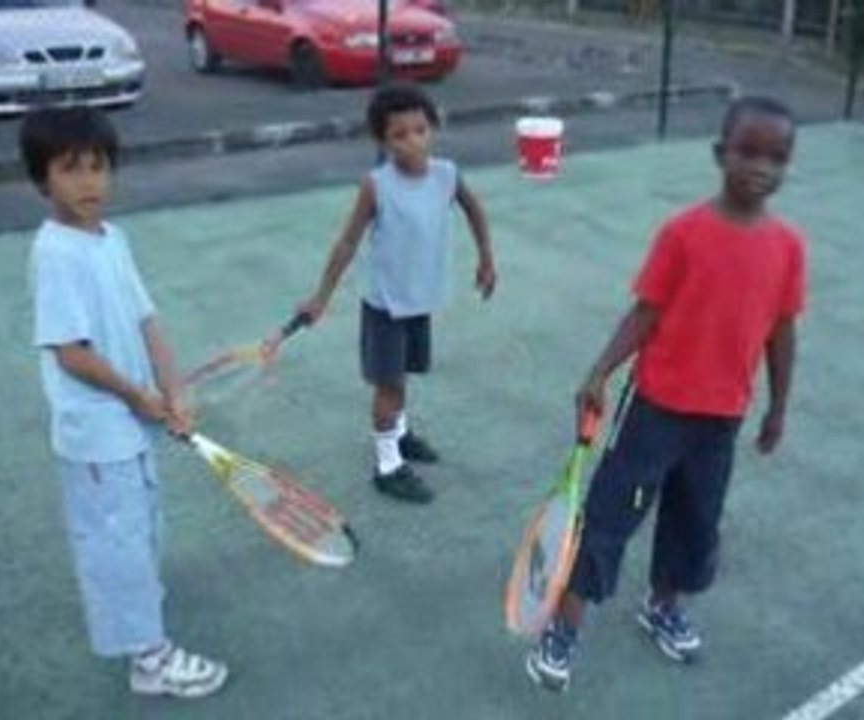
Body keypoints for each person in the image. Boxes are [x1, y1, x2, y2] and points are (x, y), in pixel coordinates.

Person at [526, 96, 807, 692]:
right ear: (719, 154)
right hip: (654, 412)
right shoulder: (683, 233)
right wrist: (599, 371)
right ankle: (564, 629)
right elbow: (646, 311)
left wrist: (778, 407)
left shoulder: (787, 248)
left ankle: (662, 606)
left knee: (695, 520)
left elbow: (782, 332)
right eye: (748, 151)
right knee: (608, 518)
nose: (761, 166)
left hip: (721, 420)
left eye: (776, 157)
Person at [23, 106, 228, 698]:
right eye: (70, 169)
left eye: (98, 167)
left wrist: (173, 390)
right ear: (42, 180)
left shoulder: (112, 239)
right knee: (114, 538)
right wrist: (139, 394)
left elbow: (147, 319)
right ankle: (149, 658)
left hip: (128, 424)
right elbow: (70, 353)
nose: (89, 182)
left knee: (137, 528)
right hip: (95, 432)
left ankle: (136, 606)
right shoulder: (56, 253)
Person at [267, 82, 496, 504]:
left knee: (401, 375)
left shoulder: (446, 175)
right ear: (382, 141)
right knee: (387, 385)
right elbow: (346, 243)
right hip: (385, 305)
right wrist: (320, 298)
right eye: (399, 135)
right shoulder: (377, 185)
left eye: (420, 129)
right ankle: (387, 465)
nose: (413, 141)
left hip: (420, 300)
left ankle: (400, 433)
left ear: (433, 128)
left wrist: (485, 257)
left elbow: (474, 209)